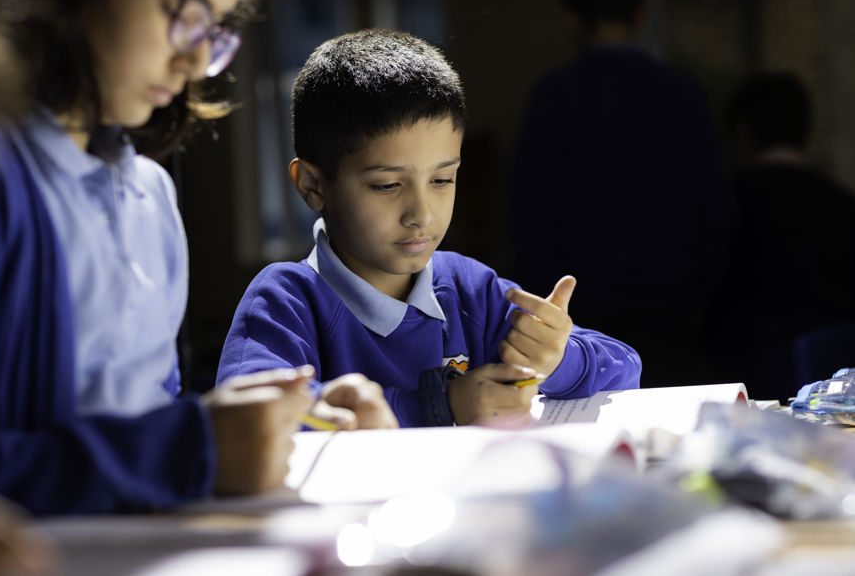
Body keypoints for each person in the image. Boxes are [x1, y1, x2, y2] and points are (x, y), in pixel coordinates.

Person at [0, 0, 395, 516]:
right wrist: (188, 451)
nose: (199, 62)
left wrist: (281, 421)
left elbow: (139, 420)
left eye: (215, 28)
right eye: (182, 13)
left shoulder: (149, 195)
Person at [216, 28, 642, 428]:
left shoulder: (469, 290)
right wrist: (437, 405)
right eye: (387, 185)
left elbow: (625, 369)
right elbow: (249, 422)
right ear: (312, 185)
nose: (422, 214)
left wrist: (558, 359)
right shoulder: (286, 302)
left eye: (441, 180)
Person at [507, 0, 735, 386]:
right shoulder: (681, 92)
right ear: (641, 15)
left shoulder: (557, 95)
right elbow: (716, 206)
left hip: (580, 306)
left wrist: (543, 302)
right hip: (674, 305)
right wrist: (703, 295)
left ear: (570, 18)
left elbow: (530, 211)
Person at [707, 72, 855, 400]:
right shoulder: (842, 202)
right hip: (839, 372)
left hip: (753, 372)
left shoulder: (730, 200)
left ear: (741, 131)